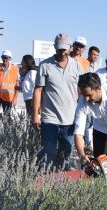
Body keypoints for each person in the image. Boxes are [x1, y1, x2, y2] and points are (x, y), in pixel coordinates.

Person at [32, 33, 82, 169]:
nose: (62, 52)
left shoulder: (77, 67)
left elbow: (81, 92)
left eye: (65, 49)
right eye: (59, 48)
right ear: (54, 47)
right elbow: (38, 91)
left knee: (65, 156)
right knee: (48, 154)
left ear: (70, 47)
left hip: (70, 119)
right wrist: (35, 114)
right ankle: (43, 182)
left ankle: (60, 184)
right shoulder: (44, 65)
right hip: (50, 119)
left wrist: (83, 115)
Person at [0, 49, 20, 115]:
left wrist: (15, 98)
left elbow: (17, 85)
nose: (4, 60)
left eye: (6, 58)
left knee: (7, 116)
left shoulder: (15, 69)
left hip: (8, 98)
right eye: (3, 58)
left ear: (10, 59)